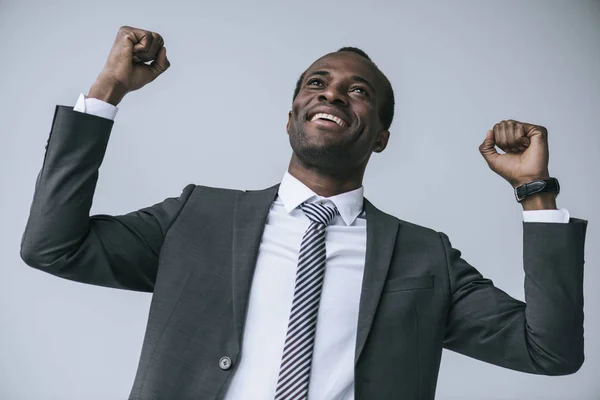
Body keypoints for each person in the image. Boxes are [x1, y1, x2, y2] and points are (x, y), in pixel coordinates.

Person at [20, 26, 587, 400]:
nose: (334, 94)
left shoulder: (423, 257)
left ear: (382, 136)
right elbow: (52, 247)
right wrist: (107, 90)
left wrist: (535, 190)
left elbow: (550, 352)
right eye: (318, 83)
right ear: (291, 116)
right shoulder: (198, 218)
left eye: (358, 91)